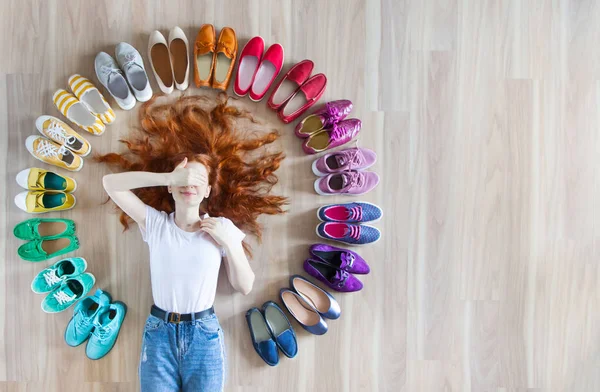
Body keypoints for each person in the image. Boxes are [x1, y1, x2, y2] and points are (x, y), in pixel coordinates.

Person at [99, 95, 286, 391]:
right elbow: (110, 185)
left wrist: (230, 244)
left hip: (203, 334)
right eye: (183, 178)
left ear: (208, 190)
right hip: (159, 333)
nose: (189, 184)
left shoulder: (222, 228)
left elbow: (245, 285)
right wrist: (166, 176)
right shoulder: (156, 224)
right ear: (171, 186)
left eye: (197, 179)